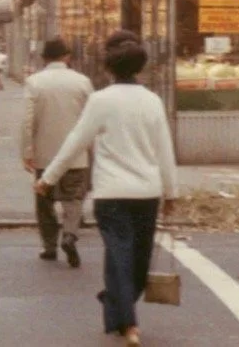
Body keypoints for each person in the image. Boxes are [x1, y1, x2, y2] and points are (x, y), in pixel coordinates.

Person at [35, 30, 178, 347]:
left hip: (112, 195)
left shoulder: (102, 101)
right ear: (140, 67)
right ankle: (129, 324)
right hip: (146, 193)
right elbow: (164, 150)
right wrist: (171, 193)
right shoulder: (151, 101)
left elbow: (75, 142)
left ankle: (115, 303)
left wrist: (48, 178)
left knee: (121, 257)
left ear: (109, 69)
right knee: (134, 259)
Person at [21, 37, 94, 266]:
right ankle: (70, 234)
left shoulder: (34, 82)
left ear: (44, 58)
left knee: (44, 202)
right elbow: (92, 117)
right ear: (67, 56)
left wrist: (27, 150)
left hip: (45, 153)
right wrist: (91, 146)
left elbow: (27, 120)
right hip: (76, 155)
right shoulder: (83, 82)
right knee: (74, 198)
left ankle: (49, 245)